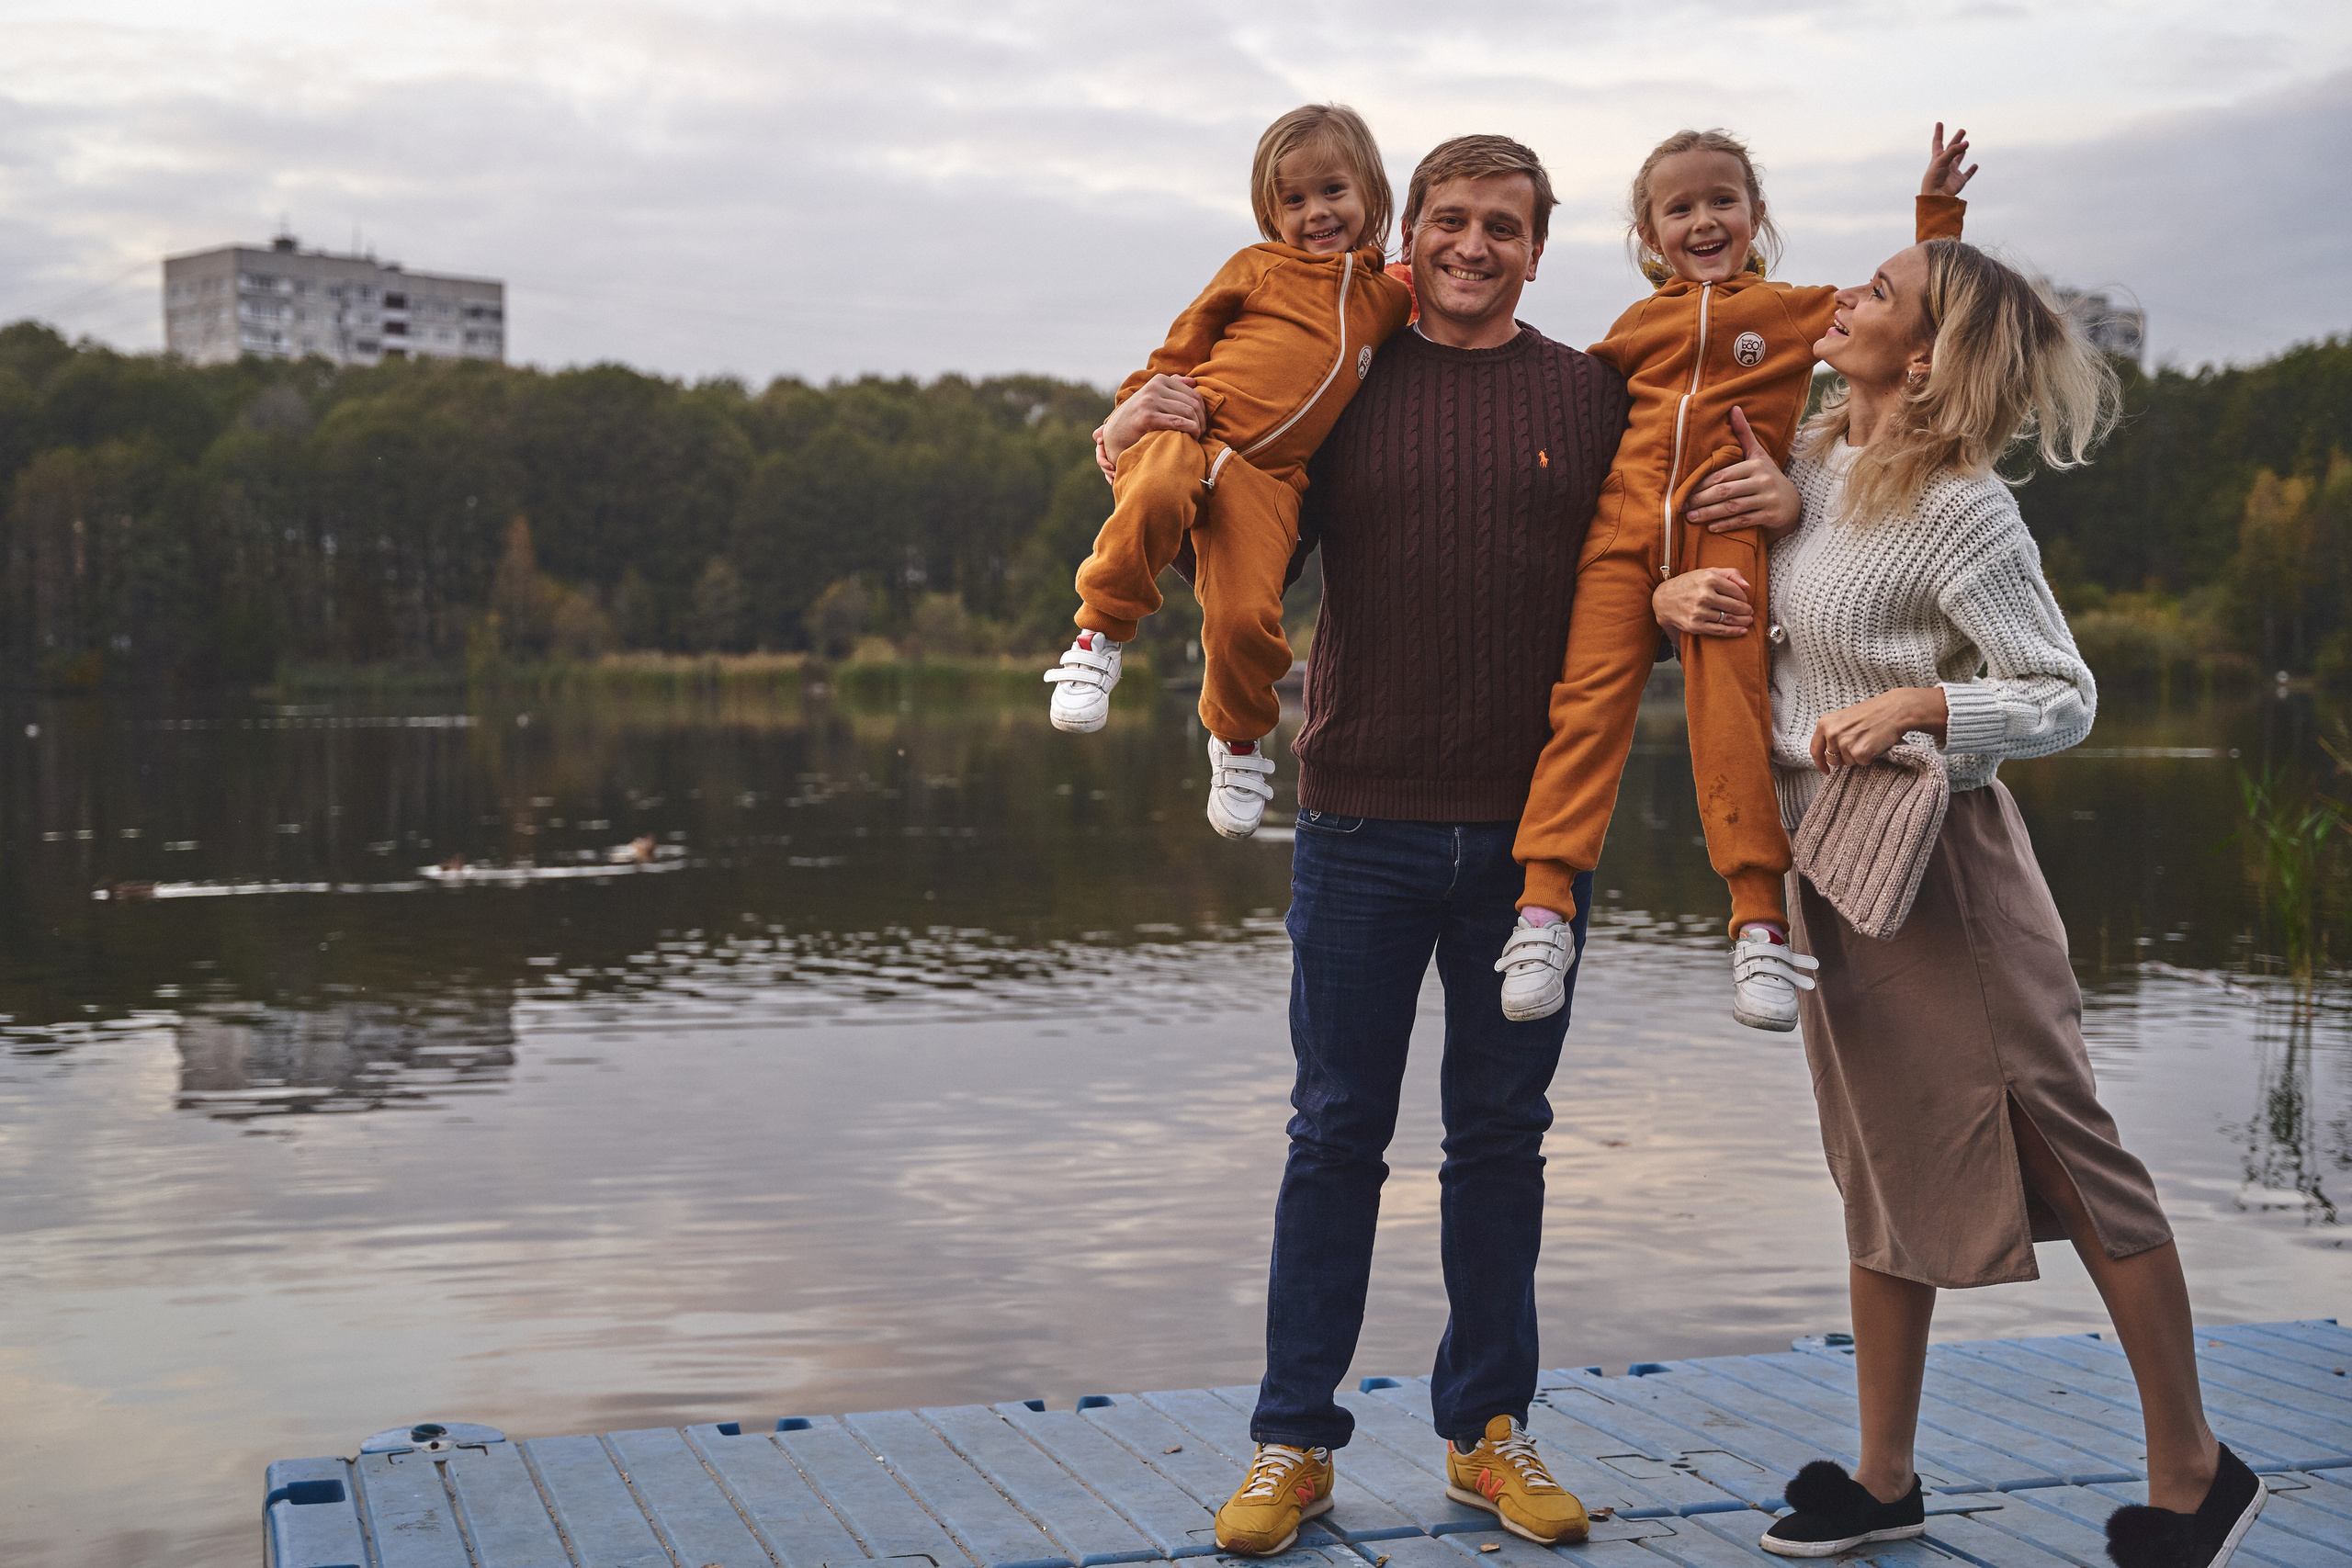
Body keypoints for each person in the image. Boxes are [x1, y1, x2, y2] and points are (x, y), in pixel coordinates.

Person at [1655, 239, 2263, 1568]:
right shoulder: (1811, 464)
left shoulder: (1966, 506)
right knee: (1878, 1154)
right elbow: (1751, 630)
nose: (1845, 298)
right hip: (1835, 863)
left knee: (2069, 1146)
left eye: (1876, 295)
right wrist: (1670, 590)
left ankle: (2195, 1464)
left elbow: (2062, 690)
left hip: (1951, 872)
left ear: (1922, 356)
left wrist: (1933, 702)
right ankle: (1884, 1477)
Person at [1096, 134, 1634, 1556]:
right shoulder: (1349, 370)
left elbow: (1676, 516)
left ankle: (1486, 1432)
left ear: (1537, 243)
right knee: (1335, 1133)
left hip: (1535, 843)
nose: (1471, 246)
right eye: (1449, 220)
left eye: (1502, 225)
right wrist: (1130, 423)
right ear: (1413, 230)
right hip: (1355, 822)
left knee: (1499, 1141)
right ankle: (1293, 1443)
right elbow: (1218, 469)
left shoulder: (1587, 392)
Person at [1494, 126, 1976, 1034]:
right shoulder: (1635, 328)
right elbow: (1558, 408)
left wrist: (1935, 216)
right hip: (1618, 548)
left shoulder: (1793, 314)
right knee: (1583, 715)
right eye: (1679, 208)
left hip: (1726, 542)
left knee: (1730, 720)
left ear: (1756, 215)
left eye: (1723, 199)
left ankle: (1758, 922)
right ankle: (1542, 911)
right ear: (1649, 236)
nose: (1703, 219)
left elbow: (1915, 315)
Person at [1044, 103, 1413, 840]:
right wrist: (1127, 417)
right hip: (1191, 430)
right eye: (1294, 200)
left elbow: (1434, 287)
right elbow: (1170, 359)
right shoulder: (1253, 268)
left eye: (1333, 191)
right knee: (1152, 494)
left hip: (1271, 482)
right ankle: (1099, 636)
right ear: (1269, 213)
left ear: (1371, 191)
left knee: (1247, 619)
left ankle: (1238, 742)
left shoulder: (1389, 299)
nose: (1316, 212)